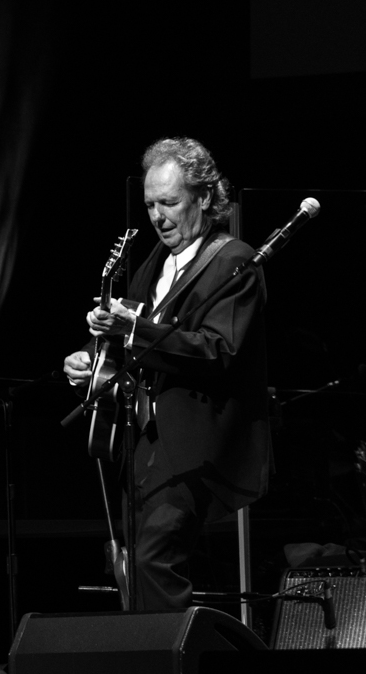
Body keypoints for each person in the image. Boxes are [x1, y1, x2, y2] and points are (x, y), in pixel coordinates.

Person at [62, 137, 271, 610]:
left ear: (202, 197)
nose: (158, 217)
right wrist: (90, 358)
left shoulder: (233, 260)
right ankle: (152, 670)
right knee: (132, 566)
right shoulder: (154, 261)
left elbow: (219, 351)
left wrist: (133, 327)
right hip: (143, 443)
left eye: (170, 203)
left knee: (152, 561)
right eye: (151, 205)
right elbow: (130, 337)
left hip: (194, 444)